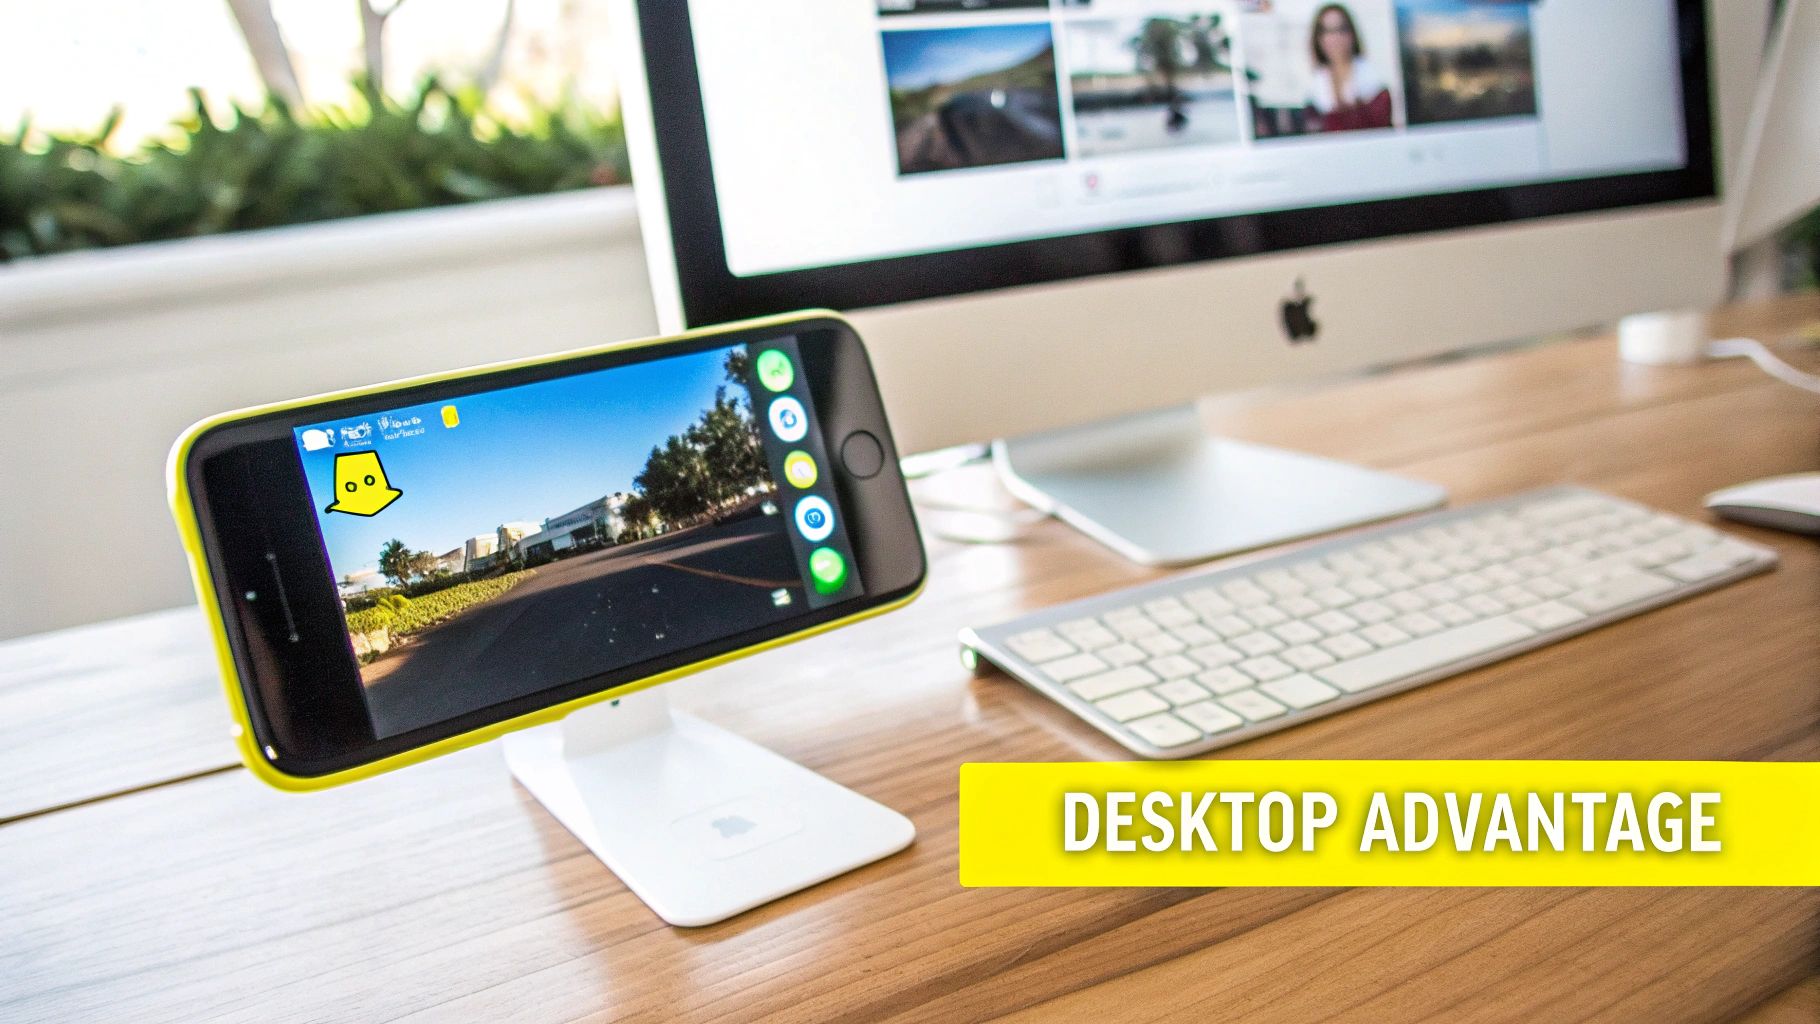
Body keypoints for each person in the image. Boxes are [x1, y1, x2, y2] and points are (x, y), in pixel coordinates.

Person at [1305, 3, 1393, 132]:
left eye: (1341, 29)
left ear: (1352, 34)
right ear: (1318, 39)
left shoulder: (1372, 78)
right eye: (1327, 31)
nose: (1335, 38)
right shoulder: (1315, 85)